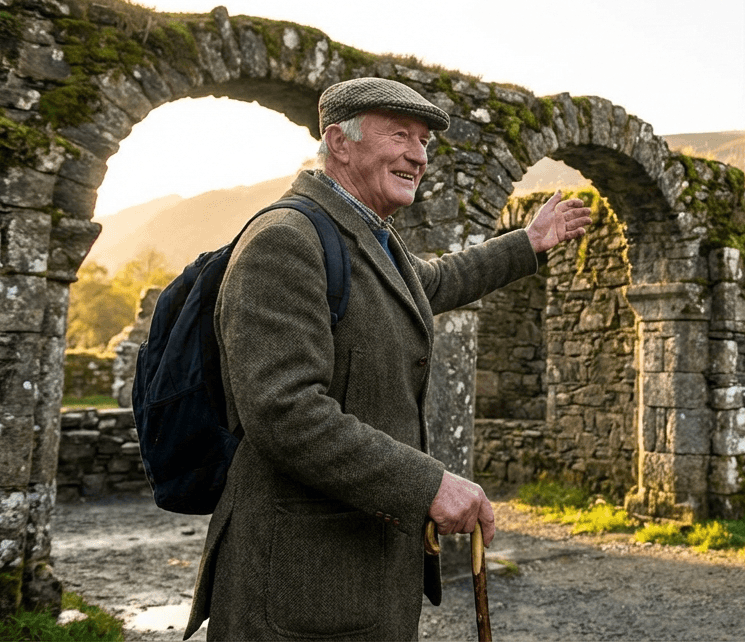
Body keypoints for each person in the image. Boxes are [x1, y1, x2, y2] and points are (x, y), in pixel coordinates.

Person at [183, 77, 593, 640]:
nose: (418, 155)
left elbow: (434, 282)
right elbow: (284, 412)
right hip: (298, 584)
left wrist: (528, 242)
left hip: (353, 570)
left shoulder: (370, 237)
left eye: (424, 142)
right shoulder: (286, 239)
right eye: (400, 135)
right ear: (339, 141)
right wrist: (428, 485)